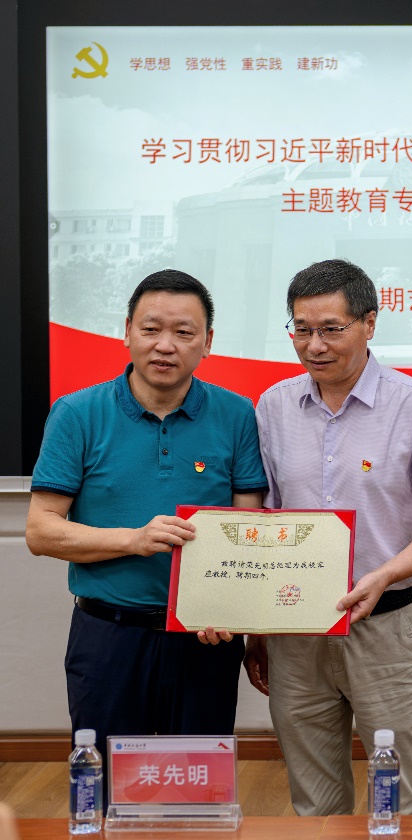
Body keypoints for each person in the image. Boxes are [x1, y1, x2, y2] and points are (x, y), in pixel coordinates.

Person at [26, 269, 268, 805]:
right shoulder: (77, 413)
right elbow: (41, 531)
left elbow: (249, 530)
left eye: (184, 332)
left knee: (199, 793)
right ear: (127, 331)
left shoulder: (236, 414)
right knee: (103, 791)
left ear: (208, 342)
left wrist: (240, 615)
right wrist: (133, 540)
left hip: (205, 639)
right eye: (151, 328)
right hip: (108, 636)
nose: (165, 345)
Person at [244, 258, 412, 816]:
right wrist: (256, 629)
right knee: (314, 799)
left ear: (369, 323)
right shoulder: (274, 406)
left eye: (331, 329)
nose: (314, 346)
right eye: (302, 329)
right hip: (296, 629)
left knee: (405, 796)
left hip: (387, 627)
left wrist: (384, 574)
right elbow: (263, 522)